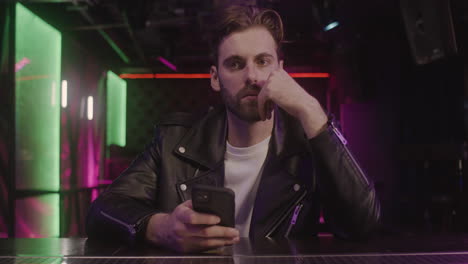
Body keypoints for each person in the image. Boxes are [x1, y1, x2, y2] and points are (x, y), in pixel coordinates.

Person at [86, 4, 380, 253]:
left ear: (281, 70)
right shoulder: (174, 141)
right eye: (235, 64)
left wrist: (313, 112)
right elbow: (102, 212)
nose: (252, 76)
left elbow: (362, 226)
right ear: (215, 78)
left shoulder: (308, 141)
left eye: (263, 62)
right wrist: (162, 228)